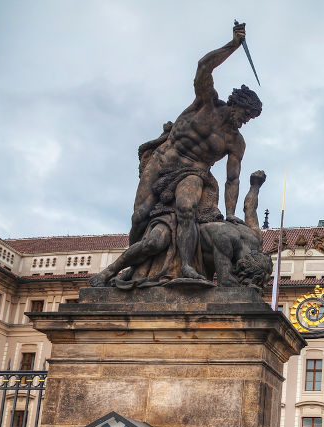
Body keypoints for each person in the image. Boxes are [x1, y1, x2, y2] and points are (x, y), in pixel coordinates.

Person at [90, 22, 263, 288]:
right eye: (244, 115)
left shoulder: (236, 142)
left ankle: (186, 266)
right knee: (139, 217)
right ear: (234, 104)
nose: (244, 121)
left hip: (195, 171)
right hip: (162, 161)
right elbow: (203, 67)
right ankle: (134, 267)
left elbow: (232, 179)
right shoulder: (206, 104)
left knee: (185, 208)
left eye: (249, 119)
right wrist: (233, 45)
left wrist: (230, 214)